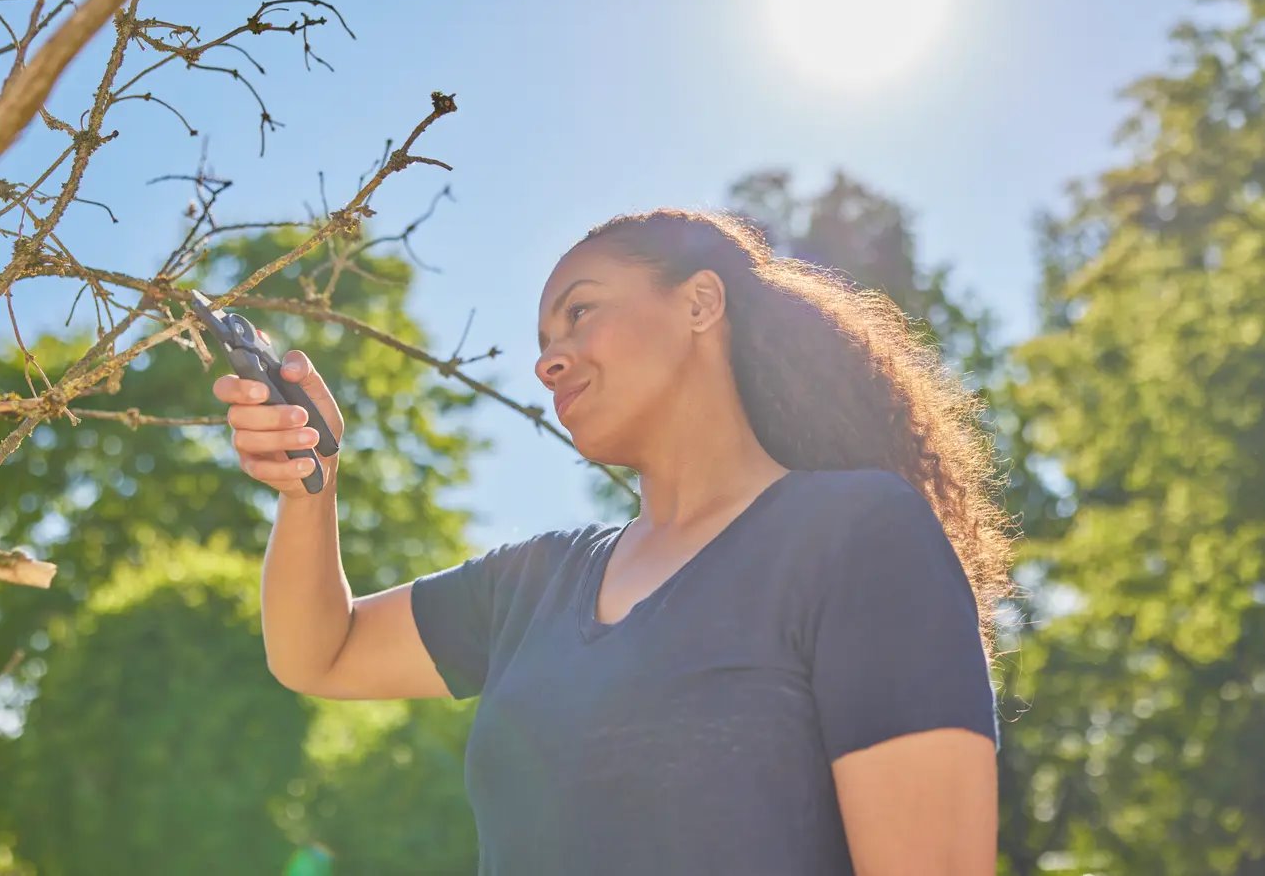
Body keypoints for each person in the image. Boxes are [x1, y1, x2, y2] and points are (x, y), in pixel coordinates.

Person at [214, 208, 1016, 875]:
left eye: (580, 311)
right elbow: (318, 651)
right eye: (541, 336)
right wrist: (306, 488)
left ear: (701, 303)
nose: (548, 359)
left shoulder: (858, 535)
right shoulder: (530, 583)